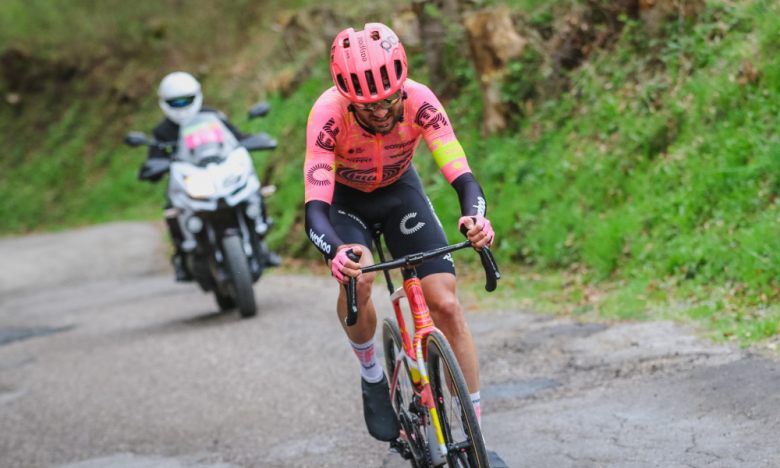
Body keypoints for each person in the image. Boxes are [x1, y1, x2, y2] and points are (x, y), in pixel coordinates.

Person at [303, 23, 495, 444]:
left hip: (399, 193)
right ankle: (371, 372)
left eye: (389, 100)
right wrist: (336, 252)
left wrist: (476, 218)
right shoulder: (327, 114)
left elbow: (463, 176)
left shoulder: (421, 100)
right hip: (344, 203)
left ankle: (477, 438)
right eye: (367, 106)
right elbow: (315, 211)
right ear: (348, 98)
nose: (381, 112)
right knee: (360, 276)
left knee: (446, 304)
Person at [139, 71, 280, 280]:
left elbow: (235, 137)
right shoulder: (162, 131)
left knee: (254, 190)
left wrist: (254, 141)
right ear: (165, 103)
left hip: (219, 172)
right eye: (175, 102)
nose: (181, 106)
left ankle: (261, 237)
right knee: (171, 210)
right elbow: (155, 158)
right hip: (190, 180)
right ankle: (182, 254)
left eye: (185, 100)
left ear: (196, 96)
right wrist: (154, 167)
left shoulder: (213, 116)